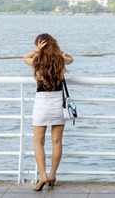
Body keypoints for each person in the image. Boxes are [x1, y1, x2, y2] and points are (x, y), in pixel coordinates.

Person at [23, 33, 73, 191]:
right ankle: (52, 174)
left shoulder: (36, 61)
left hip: (42, 103)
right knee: (57, 141)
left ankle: (42, 175)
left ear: (40, 45)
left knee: (38, 142)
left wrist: (36, 50)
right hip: (58, 102)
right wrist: (59, 51)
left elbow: (24, 58)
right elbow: (71, 59)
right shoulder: (60, 60)